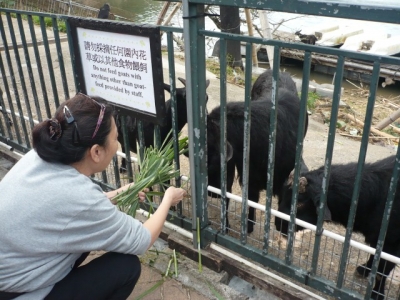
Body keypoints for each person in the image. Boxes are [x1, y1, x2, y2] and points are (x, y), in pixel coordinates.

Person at [0, 93, 186, 300]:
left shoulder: (37, 157)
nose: (117, 145)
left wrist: (119, 193)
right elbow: (142, 240)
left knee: (89, 239)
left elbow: (67, 211)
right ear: (96, 151)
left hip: (15, 270)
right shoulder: (79, 195)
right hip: (19, 292)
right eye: (115, 138)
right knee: (126, 267)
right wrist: (168, 198)